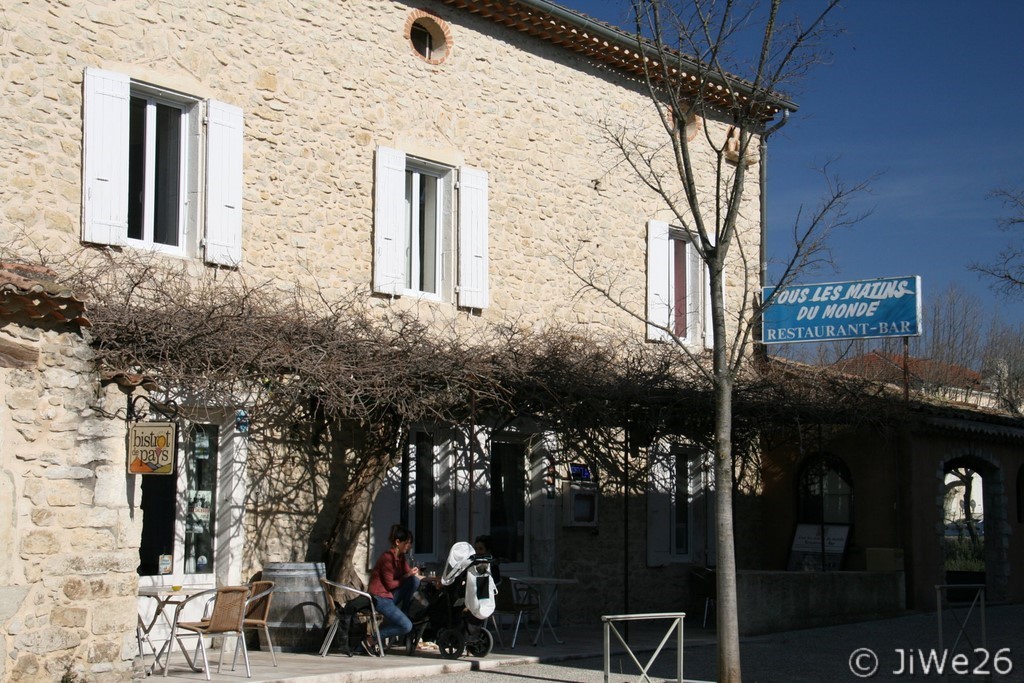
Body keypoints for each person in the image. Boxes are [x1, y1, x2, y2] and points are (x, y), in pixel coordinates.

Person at [366, 524, 420, 654]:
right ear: (397, 542)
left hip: (389, 596)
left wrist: (437, 580)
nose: (409, 546)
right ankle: (370, 640)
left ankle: (404, 612)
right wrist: (407, 575)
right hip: (379, 597)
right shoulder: (387, 558)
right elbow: (390, 584)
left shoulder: (400, 558)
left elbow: (412, 575)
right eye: (407, 543)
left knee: (415, 581)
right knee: (406, 626)